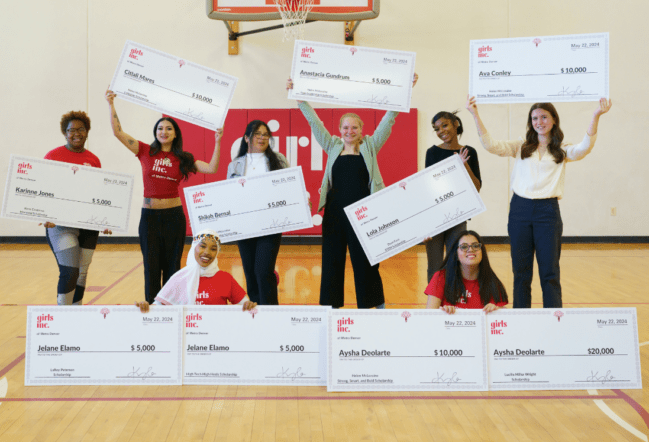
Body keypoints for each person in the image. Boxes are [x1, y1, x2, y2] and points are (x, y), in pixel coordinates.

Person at [466, 96, 612, 308]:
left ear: (554, 120)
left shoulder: (561, 149)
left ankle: (553, 319)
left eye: (544, 117)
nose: (539, 122)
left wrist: (595, 115)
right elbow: (491, 145)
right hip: (520, 210)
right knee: (521, 272)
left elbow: (584, 148)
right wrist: (474, 114)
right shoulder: (521, 146)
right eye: (535, 118)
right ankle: (521, 319)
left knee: (549, 271)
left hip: (548, 211)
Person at [287, 74, 418, 309]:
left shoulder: (370, 145)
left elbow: (388, 120)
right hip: (335, 214)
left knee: (367, 261)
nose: (350, 131)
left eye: (354, 127)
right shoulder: (332, 146)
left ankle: (373, 304)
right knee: (332, 261)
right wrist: (300, 100)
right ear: (339, 130)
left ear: (361, 129)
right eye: (345, 127)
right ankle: (331, 305)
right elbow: (315, 123)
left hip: (365, 215)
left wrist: (404, 88)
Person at [105, 89, 222, 304]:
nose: (164, 131)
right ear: (155, 132)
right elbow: (118, 132)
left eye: (169, 128)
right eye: (160, 128)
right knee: (150, 266)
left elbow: (212, 168)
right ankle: (151, 309)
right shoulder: (144, 151)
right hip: (149, 218)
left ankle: (170, 309)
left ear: (175, 133)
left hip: (173, 218)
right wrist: (111, 104)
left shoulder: (183, 158)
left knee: (171, 266)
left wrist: (218, 141)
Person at [43, 111, 112, 305]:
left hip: (89, 226)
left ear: (87, 131)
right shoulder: (53, 156)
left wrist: (106, 219)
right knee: (70, 271)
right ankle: (64, 317)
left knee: (81, 273)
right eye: (71, 130)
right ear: (64, 133)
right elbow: (42, 189)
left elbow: (99, 195)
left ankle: (77, 314)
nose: (76, 133)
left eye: (81, 129)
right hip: (60, 225)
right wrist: (44, 213)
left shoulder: (93, 160)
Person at [227, 121, 289, 305]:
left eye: (265, 134)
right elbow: (230, 195)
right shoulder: (236, 164)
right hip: (245, 226)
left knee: (263, 271)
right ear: (247, 138)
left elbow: (290, 187)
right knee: (250, 273)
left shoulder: (279, 159)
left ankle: (271, 314)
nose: (262, 137)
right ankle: (255, 311)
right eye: (257, 134)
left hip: (270, 225)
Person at [423, 110, 482, 283]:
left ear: (456, 123)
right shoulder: (432, 152)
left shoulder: (470, 151)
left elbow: (476, 188)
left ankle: (453, 302)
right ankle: (433, 306)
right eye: (437, 129)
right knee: (434, 265)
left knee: (457, 261)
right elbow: (428, 187)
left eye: (445, 125)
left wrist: (464, 167)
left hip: (459, 215)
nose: (441, 131)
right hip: (435, 216)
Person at [135, 229, 257, 311]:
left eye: (213, 249)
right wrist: (146, 307)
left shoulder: (225, 278)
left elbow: (246, 304)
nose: (207, 252)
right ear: (194, 247)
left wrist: (249, 306)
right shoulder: (180, 277)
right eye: (202, 246)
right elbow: (158, 307)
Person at [425, 230, 507, 313]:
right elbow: (429, 316)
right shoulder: (441, 277)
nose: (471, 249)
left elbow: (504, 318)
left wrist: (496, 311)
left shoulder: (492, 282)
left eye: (475, 246)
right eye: (464, 247)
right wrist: (443, 313)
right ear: (456, 254)